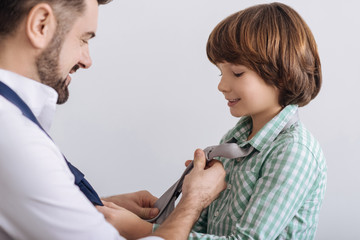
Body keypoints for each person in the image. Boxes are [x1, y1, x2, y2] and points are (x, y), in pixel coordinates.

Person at [0, 0, 226, 239]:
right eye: (83, 39)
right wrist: (193, 201)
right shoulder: (15, 138)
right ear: (40, 25)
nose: (87, 60)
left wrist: (90, 206)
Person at [181, 2, 327, 239]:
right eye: (221, 73)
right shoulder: (232, 141)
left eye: (237, 73)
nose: (221, 85)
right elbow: (202, 225)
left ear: (282, 72)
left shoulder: (293, 152)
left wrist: (145, 231)